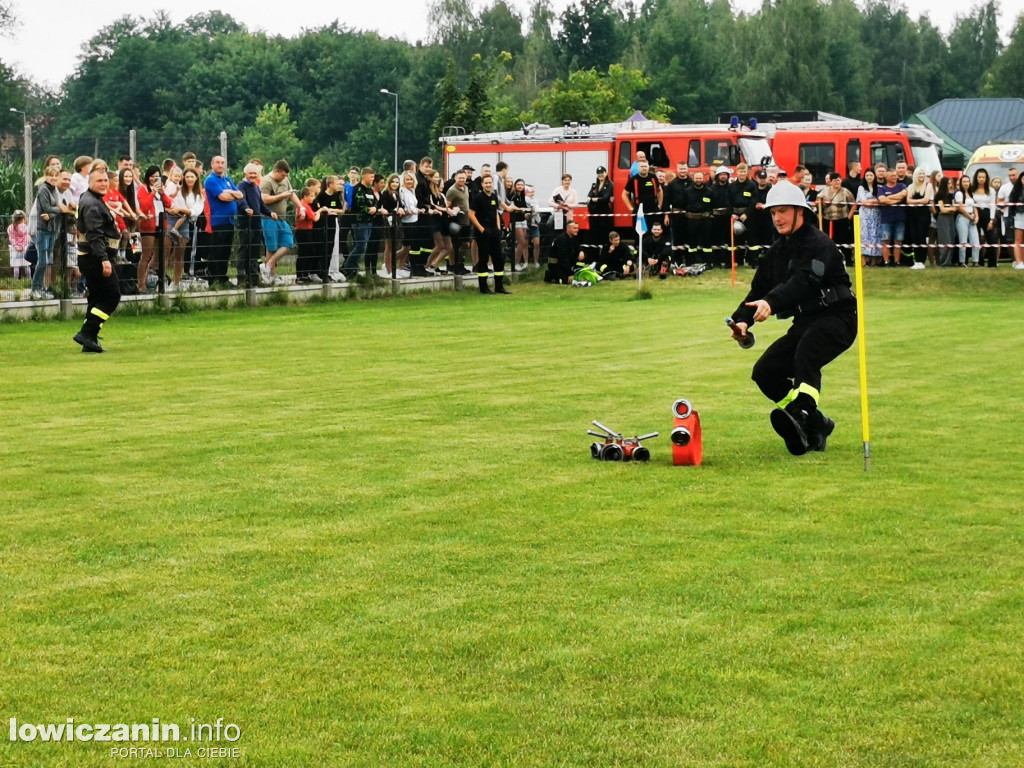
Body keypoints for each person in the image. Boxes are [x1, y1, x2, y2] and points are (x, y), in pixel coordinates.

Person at [727, 181, 857, 456]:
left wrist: (771, 303)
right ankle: (814, 423)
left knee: (806, 352)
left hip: (839, 316)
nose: (777, 218)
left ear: (800, 212)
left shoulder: (819, 243)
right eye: (773, 213)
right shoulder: (777, 252)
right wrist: (743, 321)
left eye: (783, 211)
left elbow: (804, 281)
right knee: (765, 371)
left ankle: (802, 416)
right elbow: (758, 291)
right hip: (807, 320)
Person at [73, 161, 122, 353]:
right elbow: (95, 234)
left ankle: (89, 341)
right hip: (95, 258)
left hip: (90, 257)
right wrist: (104, 259)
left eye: (105, 180)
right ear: (90, 182)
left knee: (96, 298)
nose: (103, 184)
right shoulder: (92, 204)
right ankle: (87, 332)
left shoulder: (90, 199)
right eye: (99, 181)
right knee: (112, 295)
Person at [204, 155, 243, 286]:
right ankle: (214, 279)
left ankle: (222, 278)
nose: (220, 165)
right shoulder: (211, 180)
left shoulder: (227, 180)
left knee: (226, 251)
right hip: (218, 221)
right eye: (217, 162)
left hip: (229, 221)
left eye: (222, 162)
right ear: (212, 164)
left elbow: (241, 194)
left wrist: (229, 192)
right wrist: (232, 195)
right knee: (217, 250)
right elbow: (223, 197)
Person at [468, 175, 509, 294]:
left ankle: (499, 287)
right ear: (482, 184)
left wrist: (498, 227)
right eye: (486, 183)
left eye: (490, 183)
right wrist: (481, 229)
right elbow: (471, 214)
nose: (488, 185)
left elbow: (496, 212)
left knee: (498, 258)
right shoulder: (478, 198)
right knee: (484, 258)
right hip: (483, 232)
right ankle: (483, 287)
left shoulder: (494, 197)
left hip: (494, 231)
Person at [818, 172, 855, 265]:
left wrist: (848, 217)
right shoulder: (824, 192)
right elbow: (819, 205)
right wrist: (821, 200)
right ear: (830, 182)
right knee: (829, 241)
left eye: (839, 180)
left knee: (844, 241)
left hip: (842, 220)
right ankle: (829, 260)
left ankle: (847, 260)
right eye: (835, 180)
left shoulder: (845, 191)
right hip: (828, 220)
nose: (837, 182)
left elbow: (854, 204)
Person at [877, 168, 907, 266]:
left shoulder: (901, 186)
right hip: (886, 219)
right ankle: (886, 262)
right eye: (892, 176)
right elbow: (882, 200)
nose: (895, 177)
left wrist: (889, 198)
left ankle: (897, 261)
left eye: (895, 175)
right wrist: (896, 200)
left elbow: (903, 194)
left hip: (900, 218)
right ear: (887, 177)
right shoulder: (882, 189)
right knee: (886, 241)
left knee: (898, 241)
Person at [903, 168, 933, 269]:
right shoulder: (910, 186)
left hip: (923, 215)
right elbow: (908, 200)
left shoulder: (928, 185)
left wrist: (915, 202)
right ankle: (917, 261)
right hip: (912, 215)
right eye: (920, 173)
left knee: (921, 237)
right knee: (914, 237)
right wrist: (918, 202)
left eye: (923, 173)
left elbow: (926, 200)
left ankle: (922, 261)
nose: (921, 175)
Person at [972, 168, 998, 268]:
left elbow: (992, 205)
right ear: (976, 178)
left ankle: (992, 263)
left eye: (983, 177)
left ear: (986, 178)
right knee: (976, 238)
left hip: (987, 213)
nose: (981, 179)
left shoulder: (991, 190)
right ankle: (979, 262)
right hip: (976, 213)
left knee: (992, 238)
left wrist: (991, 220)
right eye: (979, 177)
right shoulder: (972, 190)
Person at [855, 169, 881, 266]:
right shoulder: (861, 188)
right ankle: (863, 260)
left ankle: (874, 260)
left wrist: (871, 201)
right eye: (867, 175)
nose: (869, 177)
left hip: (876, 215)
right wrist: (874, 201)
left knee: (875, 235)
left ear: (874, 176)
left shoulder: (878, 187)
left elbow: (881, 201)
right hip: (865, 215)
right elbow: (863, 201)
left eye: (871, 175)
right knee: (864, 236)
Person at [954, 174, 979, 267]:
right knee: (963, 241)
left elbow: (974, 207)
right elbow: (961, 208)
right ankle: (962, 261)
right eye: (964, 181)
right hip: (962, 218)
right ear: (961, 183)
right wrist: (969, 216)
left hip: (971, 218)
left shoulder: (971, 193)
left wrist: (976, 217)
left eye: (967, 181)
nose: (966, 183)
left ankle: (976, 261)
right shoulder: (959, 194)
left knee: (975, 241)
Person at [546, 220, 583, 285]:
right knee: (566, 281)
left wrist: (581, 251)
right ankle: (550, 274)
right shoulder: (561, 239)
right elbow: (563, 258)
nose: (577, 230)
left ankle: (576, 270)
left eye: (577, 228)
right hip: (556, 264)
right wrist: (570, 273)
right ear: (568, 228)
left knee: (577, 275)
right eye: (574, 228)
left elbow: (577, 246)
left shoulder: (572, 238)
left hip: (564, 263)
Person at [586, 166, 614, 249]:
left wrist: (594, 199)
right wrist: (597, 199)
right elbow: (588, 197)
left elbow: (605, 198)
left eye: (602, 173)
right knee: (594, 234)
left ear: (606, 173)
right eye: (598, 173)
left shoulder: (610, 185)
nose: (600, 175)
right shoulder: (594, 185)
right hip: (594, 212)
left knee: (604, 234)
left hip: (604, 212)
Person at [933, 176, 958, 268]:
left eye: (951, 183)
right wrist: (951, 208)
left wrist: (950, 208)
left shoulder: (950, 195)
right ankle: (943, 262)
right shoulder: (939, 195)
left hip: (950, 218)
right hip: (943, 218)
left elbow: (955, 208)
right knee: (945, 240)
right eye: (948, 183)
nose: (950, 185)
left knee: (951, 239)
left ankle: (948, 261)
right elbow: (942, 209)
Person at [7, 210, 30, 281]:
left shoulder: (10, 227)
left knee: (16, 266)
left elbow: (11, 238)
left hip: (15, 250)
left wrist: (17, 247)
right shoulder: (25, 227)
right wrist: (23, 246)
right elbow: (27, 238)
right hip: (24, 249)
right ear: (23, 219)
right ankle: (29, 280)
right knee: (26, 266)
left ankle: (16, 281)